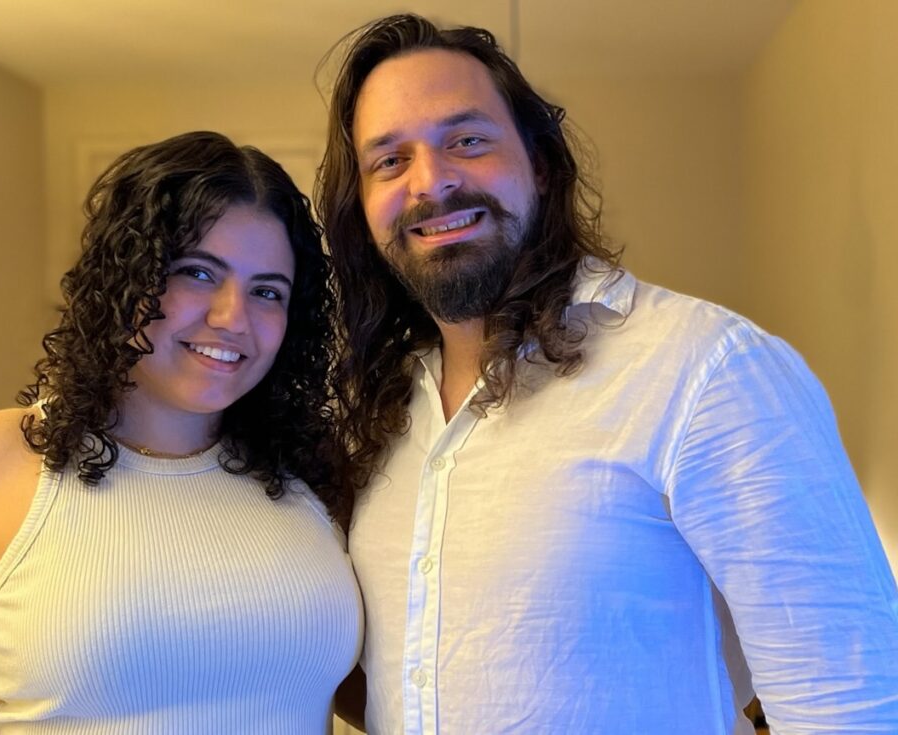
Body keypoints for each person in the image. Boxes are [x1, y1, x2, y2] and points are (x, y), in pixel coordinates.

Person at [315, 14, 898, 734]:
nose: (431, 182)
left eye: (467, 140)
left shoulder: (705, 368)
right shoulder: (382, 412)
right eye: (390, 161)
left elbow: (852, 704)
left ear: (541, 164)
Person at [0, 131, 362, 734]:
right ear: (125, 276)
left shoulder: (315, 473)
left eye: (267, 291)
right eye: (198, 273)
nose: (233, 318)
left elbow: (404, 689)